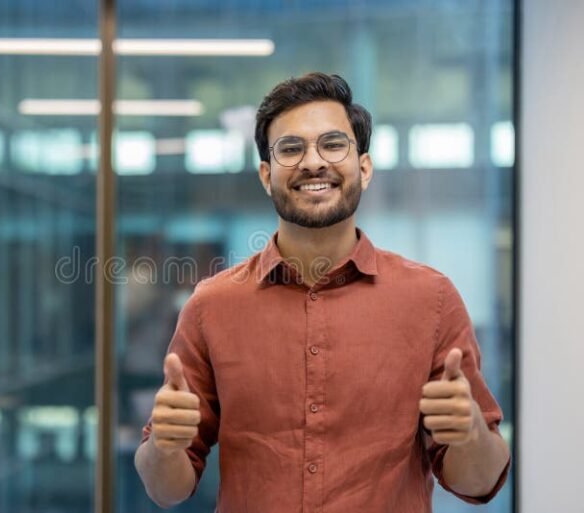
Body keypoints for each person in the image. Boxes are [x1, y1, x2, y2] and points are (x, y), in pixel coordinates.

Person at [134, 72, 511, 512]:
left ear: (363, 168)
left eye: (333, 145)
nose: (313, 162)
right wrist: (163, 446)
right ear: (265, 174)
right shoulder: (211, 306)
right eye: (291, 149)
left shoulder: (432, 300)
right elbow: (167, 489)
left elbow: (480, 481)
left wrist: (469, 433)